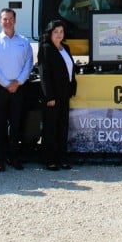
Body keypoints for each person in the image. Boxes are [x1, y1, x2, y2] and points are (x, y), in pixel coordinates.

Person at [0, 7, 34, 172]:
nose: (8, 22)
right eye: (4, 19)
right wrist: (6, 83)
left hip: (19, 89)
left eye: (10, 19)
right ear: (0, 21)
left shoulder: (24, 42)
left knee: (16, 125)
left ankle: (14, 158)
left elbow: (28, 64)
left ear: (15, 20)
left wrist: (18, 82)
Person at [38, 19, 78, 171]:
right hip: (52, 96)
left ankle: (62, 158)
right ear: (50, 33)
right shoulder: (45, 48)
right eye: (56, 32)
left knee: (63, 126)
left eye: (61, 32)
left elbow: (70, 70)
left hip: (65, 93)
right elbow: (44, 74)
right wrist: (49, 96)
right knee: (50, 128)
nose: (59, 35)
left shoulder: (65, 48)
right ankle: (49, 160)